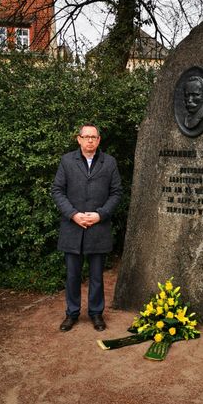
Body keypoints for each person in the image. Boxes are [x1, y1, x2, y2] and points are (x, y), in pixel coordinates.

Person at [52, 123, 122, 332]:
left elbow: (116, 193)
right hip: (72, 228)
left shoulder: (109, 162)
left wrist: (100, 214)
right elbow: (57, 190)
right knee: (72, 275)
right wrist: (73, 214)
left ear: (99, 140)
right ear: (79, 139)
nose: (90, 140)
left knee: (97, 276)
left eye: (94, 137)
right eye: (86, 136)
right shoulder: (67, 161)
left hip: (98, 228)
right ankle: (72, 313)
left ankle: (95, 313)